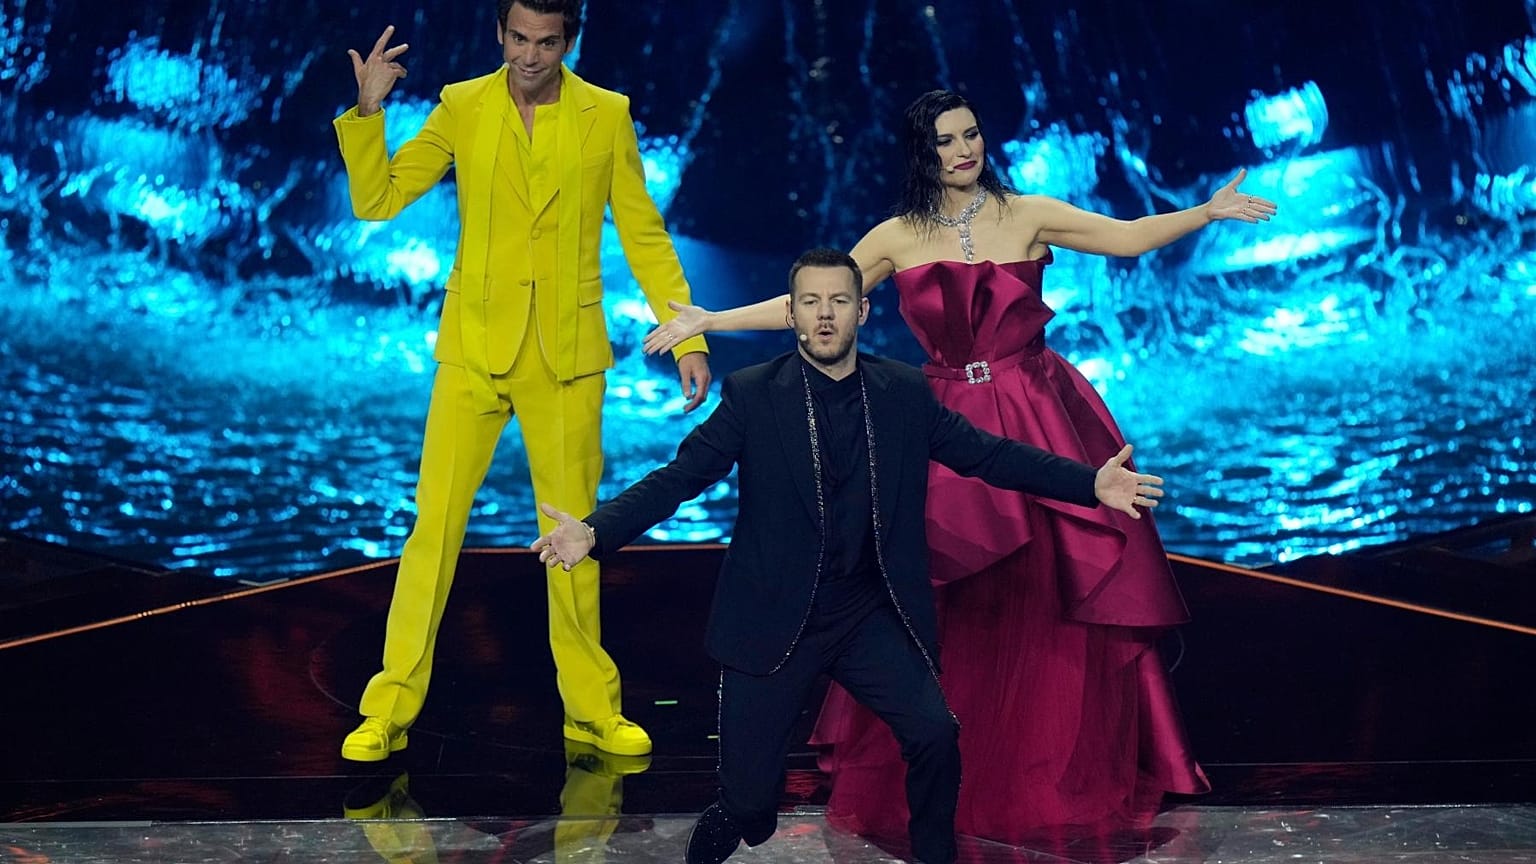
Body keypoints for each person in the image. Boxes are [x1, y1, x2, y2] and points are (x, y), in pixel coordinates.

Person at [642, 90, 1277, 839]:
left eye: (971, 134)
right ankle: (951, 772)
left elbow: (1130, 237)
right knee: (950, 596)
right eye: (945, 141)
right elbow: (816, 300)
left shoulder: (1029, 211)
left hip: (1039, 409)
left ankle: (1048, 767)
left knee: (1053, 586)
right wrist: (711, 320)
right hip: (945, 422)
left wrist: (1205, 212)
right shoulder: (897, 236)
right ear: (924, 153)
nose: (964, 150)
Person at [531, 248, 1168, 864]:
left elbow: (989, 455)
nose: (826, 314)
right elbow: (679, 478)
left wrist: (1091, 483)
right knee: (750, 808)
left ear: (862, 312)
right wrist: (594, 531)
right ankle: (730, 821)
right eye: (811, 302)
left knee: (934, 734)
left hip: (867, 613)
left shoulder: (902, 392)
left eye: (839, 300)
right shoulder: (754, 395)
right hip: (775, 618)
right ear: (792, 314)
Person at [332, 0, 712, 762]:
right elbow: (376, 200)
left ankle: (591, 711)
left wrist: (688, 333)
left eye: (545, 42)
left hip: (567, 357)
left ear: (567, 41)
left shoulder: (606, 115)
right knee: (431, 532)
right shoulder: (463, 105)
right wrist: (368, 112)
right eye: (518, 39)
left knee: (574, 538)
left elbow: (642, 229)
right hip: (473, 349)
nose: (530, 56)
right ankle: (390, 708)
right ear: (499, 36)